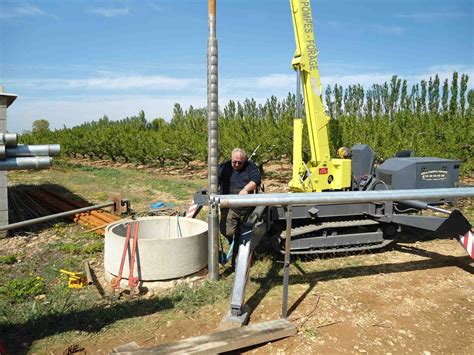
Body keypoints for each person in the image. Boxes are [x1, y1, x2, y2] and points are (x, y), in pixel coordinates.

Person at [218, 148, 261, 268]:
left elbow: (256, 179)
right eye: (234, 162)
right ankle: (234, 244)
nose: (236, 164)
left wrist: (246, 189)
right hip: (228, 206)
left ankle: (238, 262)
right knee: (227, 231)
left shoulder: (250, 167)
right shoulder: (224, 167)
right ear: (231, 159)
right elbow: (214, 180)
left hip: (244, 207)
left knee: (243, 234)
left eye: (240, 162)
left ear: (244, 160)